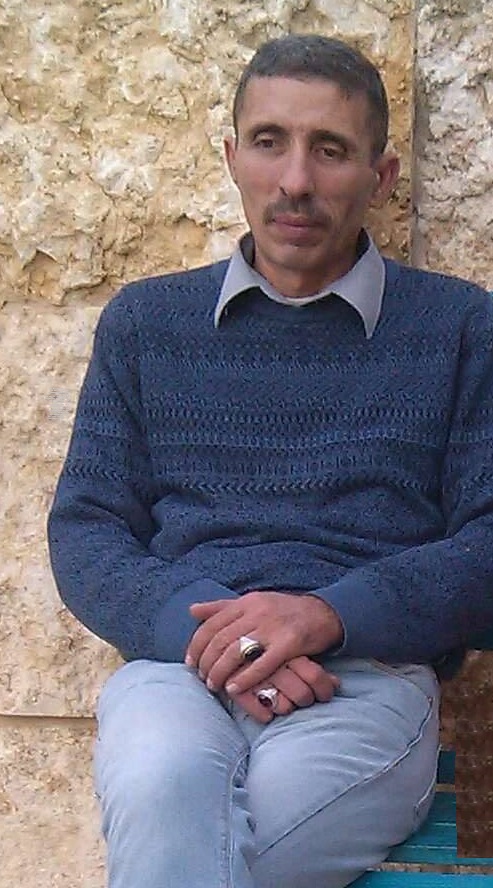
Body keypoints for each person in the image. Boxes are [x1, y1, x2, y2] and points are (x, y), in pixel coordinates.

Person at [47, 34, 493, 888]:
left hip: (362, 679)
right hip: (177, 666)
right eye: (268, 142)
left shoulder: (461, 328)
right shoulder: (145, 325)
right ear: (231, 158)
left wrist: (324, 616)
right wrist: (225, 639)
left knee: (220, 842)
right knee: (160, 785)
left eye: (329, 150)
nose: (294, 180)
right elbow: (86, 531)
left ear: (380, 175)